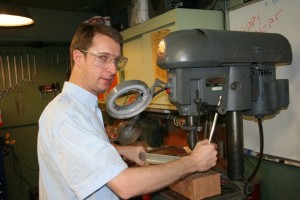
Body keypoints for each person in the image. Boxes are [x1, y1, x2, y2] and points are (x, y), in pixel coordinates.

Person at [37, 17, 218, 200]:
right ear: (78, 57)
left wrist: (120, 151)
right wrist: (193, 162)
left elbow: (79, 153)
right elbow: (125, 185)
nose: (113, 69)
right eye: (103, 58)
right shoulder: (67, 116)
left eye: (116, 60)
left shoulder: (80, 107)